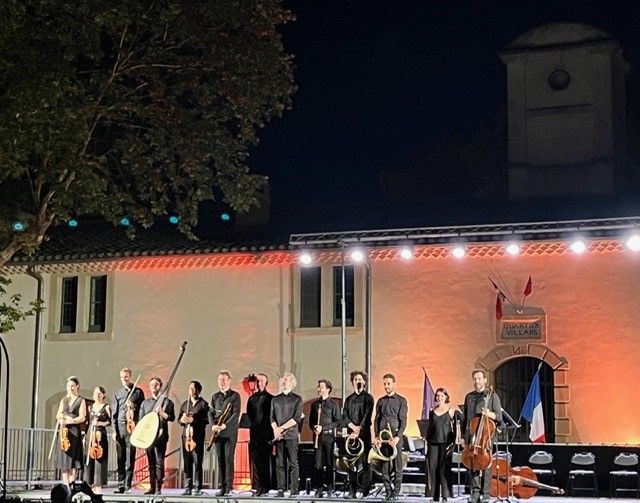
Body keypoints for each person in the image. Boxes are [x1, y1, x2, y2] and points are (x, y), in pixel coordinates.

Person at [463, 370, 502, 503]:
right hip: (472, 436)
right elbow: (466, 418)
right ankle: (475, 492)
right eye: (475, 379)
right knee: (471, 463)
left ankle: (485, 494)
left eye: (479, 378)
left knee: (486, 465)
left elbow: (499, 416)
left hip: (487, 437)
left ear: (485, 380)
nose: (477, 381)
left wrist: (489, 414)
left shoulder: (492, 396)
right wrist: (463, 437)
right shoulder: (469, 397)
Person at [374, 373, 408, 501]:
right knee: (384, 465)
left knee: (398, 465)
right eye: (384, 384)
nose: (386, 386)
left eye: (388, 383)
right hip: (383, 437)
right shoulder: (380, 401)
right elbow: (377, 419)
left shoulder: (401, 400)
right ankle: (388, 490)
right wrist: (376, 436)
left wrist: (398, 437)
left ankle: (396, 492)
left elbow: (403, 421)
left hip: (395, 437)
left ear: (394, 383)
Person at [139, 377, 175, 495]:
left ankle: (159, 487)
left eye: (156, 384)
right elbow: (141, 421)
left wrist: (162, 413)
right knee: (151, 463)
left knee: (160, 461)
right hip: (148, 437)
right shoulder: (145, 403)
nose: (154, 387)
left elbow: (172, 417)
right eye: (152, 385)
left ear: (160, 386)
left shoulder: (167, 402)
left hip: (161, 436)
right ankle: (152, 487)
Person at [111, 367, 145, 493]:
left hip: (132, 427)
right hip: (120, 426)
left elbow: (142, 410)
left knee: (130, 457)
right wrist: (114, 430)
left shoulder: (138, 392)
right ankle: (121, 484)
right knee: (120, 457)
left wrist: (133, 406)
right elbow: (114, 414)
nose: (124, 379)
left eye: (126, 377)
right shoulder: (118, 394)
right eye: (122, 377)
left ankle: (128, 485)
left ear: (130, 377)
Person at [426, 387, 463, 501]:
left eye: (442, 396)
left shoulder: (451, 410)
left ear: (446, 397)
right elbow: (429, 428)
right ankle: (435, 496)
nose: (439, 398)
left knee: (444, 469)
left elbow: (462, 421)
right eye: (437, 396)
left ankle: (445, 495)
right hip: (433, 443)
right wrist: (427, 442)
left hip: (446, 444)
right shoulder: (432, 411)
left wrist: (457, 440)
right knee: (433, 469)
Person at [270, 372, 303, 497]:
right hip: (278, 437)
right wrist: (275, 430)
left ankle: (293, 489)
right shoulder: (275, 399)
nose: (284, 381)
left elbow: (296, 418)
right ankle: (281, 489)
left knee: (293, 463)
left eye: (287, 380)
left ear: (292, 383)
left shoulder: (297, 399)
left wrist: (281, 428)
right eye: (283, 379)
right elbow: (272, 417)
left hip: (291, 436)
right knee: (279, 463)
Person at [342, 370, 374, 499]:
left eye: (360, 379)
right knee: (351, 463)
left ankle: (364, 491)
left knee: (366, 462)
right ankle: (352, 491)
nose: (357, 381)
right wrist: (353, 428)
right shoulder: (349, 399)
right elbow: (345, 416)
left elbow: (367, 415)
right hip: (351, 436)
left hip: (364, 435)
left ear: (364, 382)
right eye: (355, 380)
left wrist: (359, 429)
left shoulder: (368, 398)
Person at [209, 371, 241, 496]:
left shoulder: (235, 396)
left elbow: (235, 414)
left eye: (223, 379)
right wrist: (213, 425)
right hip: (217, 433)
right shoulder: (215, 397)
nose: (221, 382)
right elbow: (211, 413)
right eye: (219, 380)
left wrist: (224, 425)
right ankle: (222, 487)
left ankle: (228, 487)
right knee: (220, 459)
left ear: (229, 381)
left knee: (228, 459)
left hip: (230, 433)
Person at [309, 379, 341, 498]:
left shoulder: (333, 405)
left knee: (329, 463)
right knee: (318, 464)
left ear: (327, 389)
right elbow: (311, 421)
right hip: (317, 437)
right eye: (318, 387)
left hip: (329, 437)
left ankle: (329, 487)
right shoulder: (314, 405)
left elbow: (337, 421)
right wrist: (314, 428)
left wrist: (323, 427)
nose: (318, 389)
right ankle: (319, 487)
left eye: (321, 387)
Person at [178, 380, 209, 496]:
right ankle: (188, 486)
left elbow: (207, 420)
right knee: (187, 463)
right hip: (186, 438)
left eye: (193, 388)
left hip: (197, 438)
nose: (190, 390)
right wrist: (182, 420)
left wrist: (194, 420)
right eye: (189, 388)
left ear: (198, 390)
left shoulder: (204, 404)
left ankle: (198, 487)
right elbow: (179, 420)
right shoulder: (185, 404)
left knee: (197, 462)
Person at [55, 376, 87, 486]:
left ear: (77, 386)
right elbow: (58, 414)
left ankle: (71, 483)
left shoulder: (81, 400)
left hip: (74, 430)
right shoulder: (64, 400)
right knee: (64, 460)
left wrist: (72, 420)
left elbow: (82, 417)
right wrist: (61, 419)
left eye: (72, 386)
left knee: (74, 460)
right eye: (68, 386)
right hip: (64, 431)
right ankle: (65, 485)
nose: (70, 388)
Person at [246, 372, 274, 496]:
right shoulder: (251, 398)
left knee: (265, 461)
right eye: (258, 380)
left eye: (262, 380)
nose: (259, 382)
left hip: (267, 434)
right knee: (256, 461)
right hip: (255, 433)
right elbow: (249, 415)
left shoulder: (271, 399)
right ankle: (257, 487)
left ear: (266, 383)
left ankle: (266, 487)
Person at [84, 386, 111, 496]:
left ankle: (98, 485)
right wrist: (84, 436)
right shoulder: (90, 407)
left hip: (100, 434)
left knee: (99, 459)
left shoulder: (106, 407)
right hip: (90, 434)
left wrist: (99, 423)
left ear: (103, 395)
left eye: (100, 393)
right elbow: (87, 422)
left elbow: (109, 422)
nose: (97, 395)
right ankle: (90, 485)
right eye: (96, 393)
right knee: (89, 459)